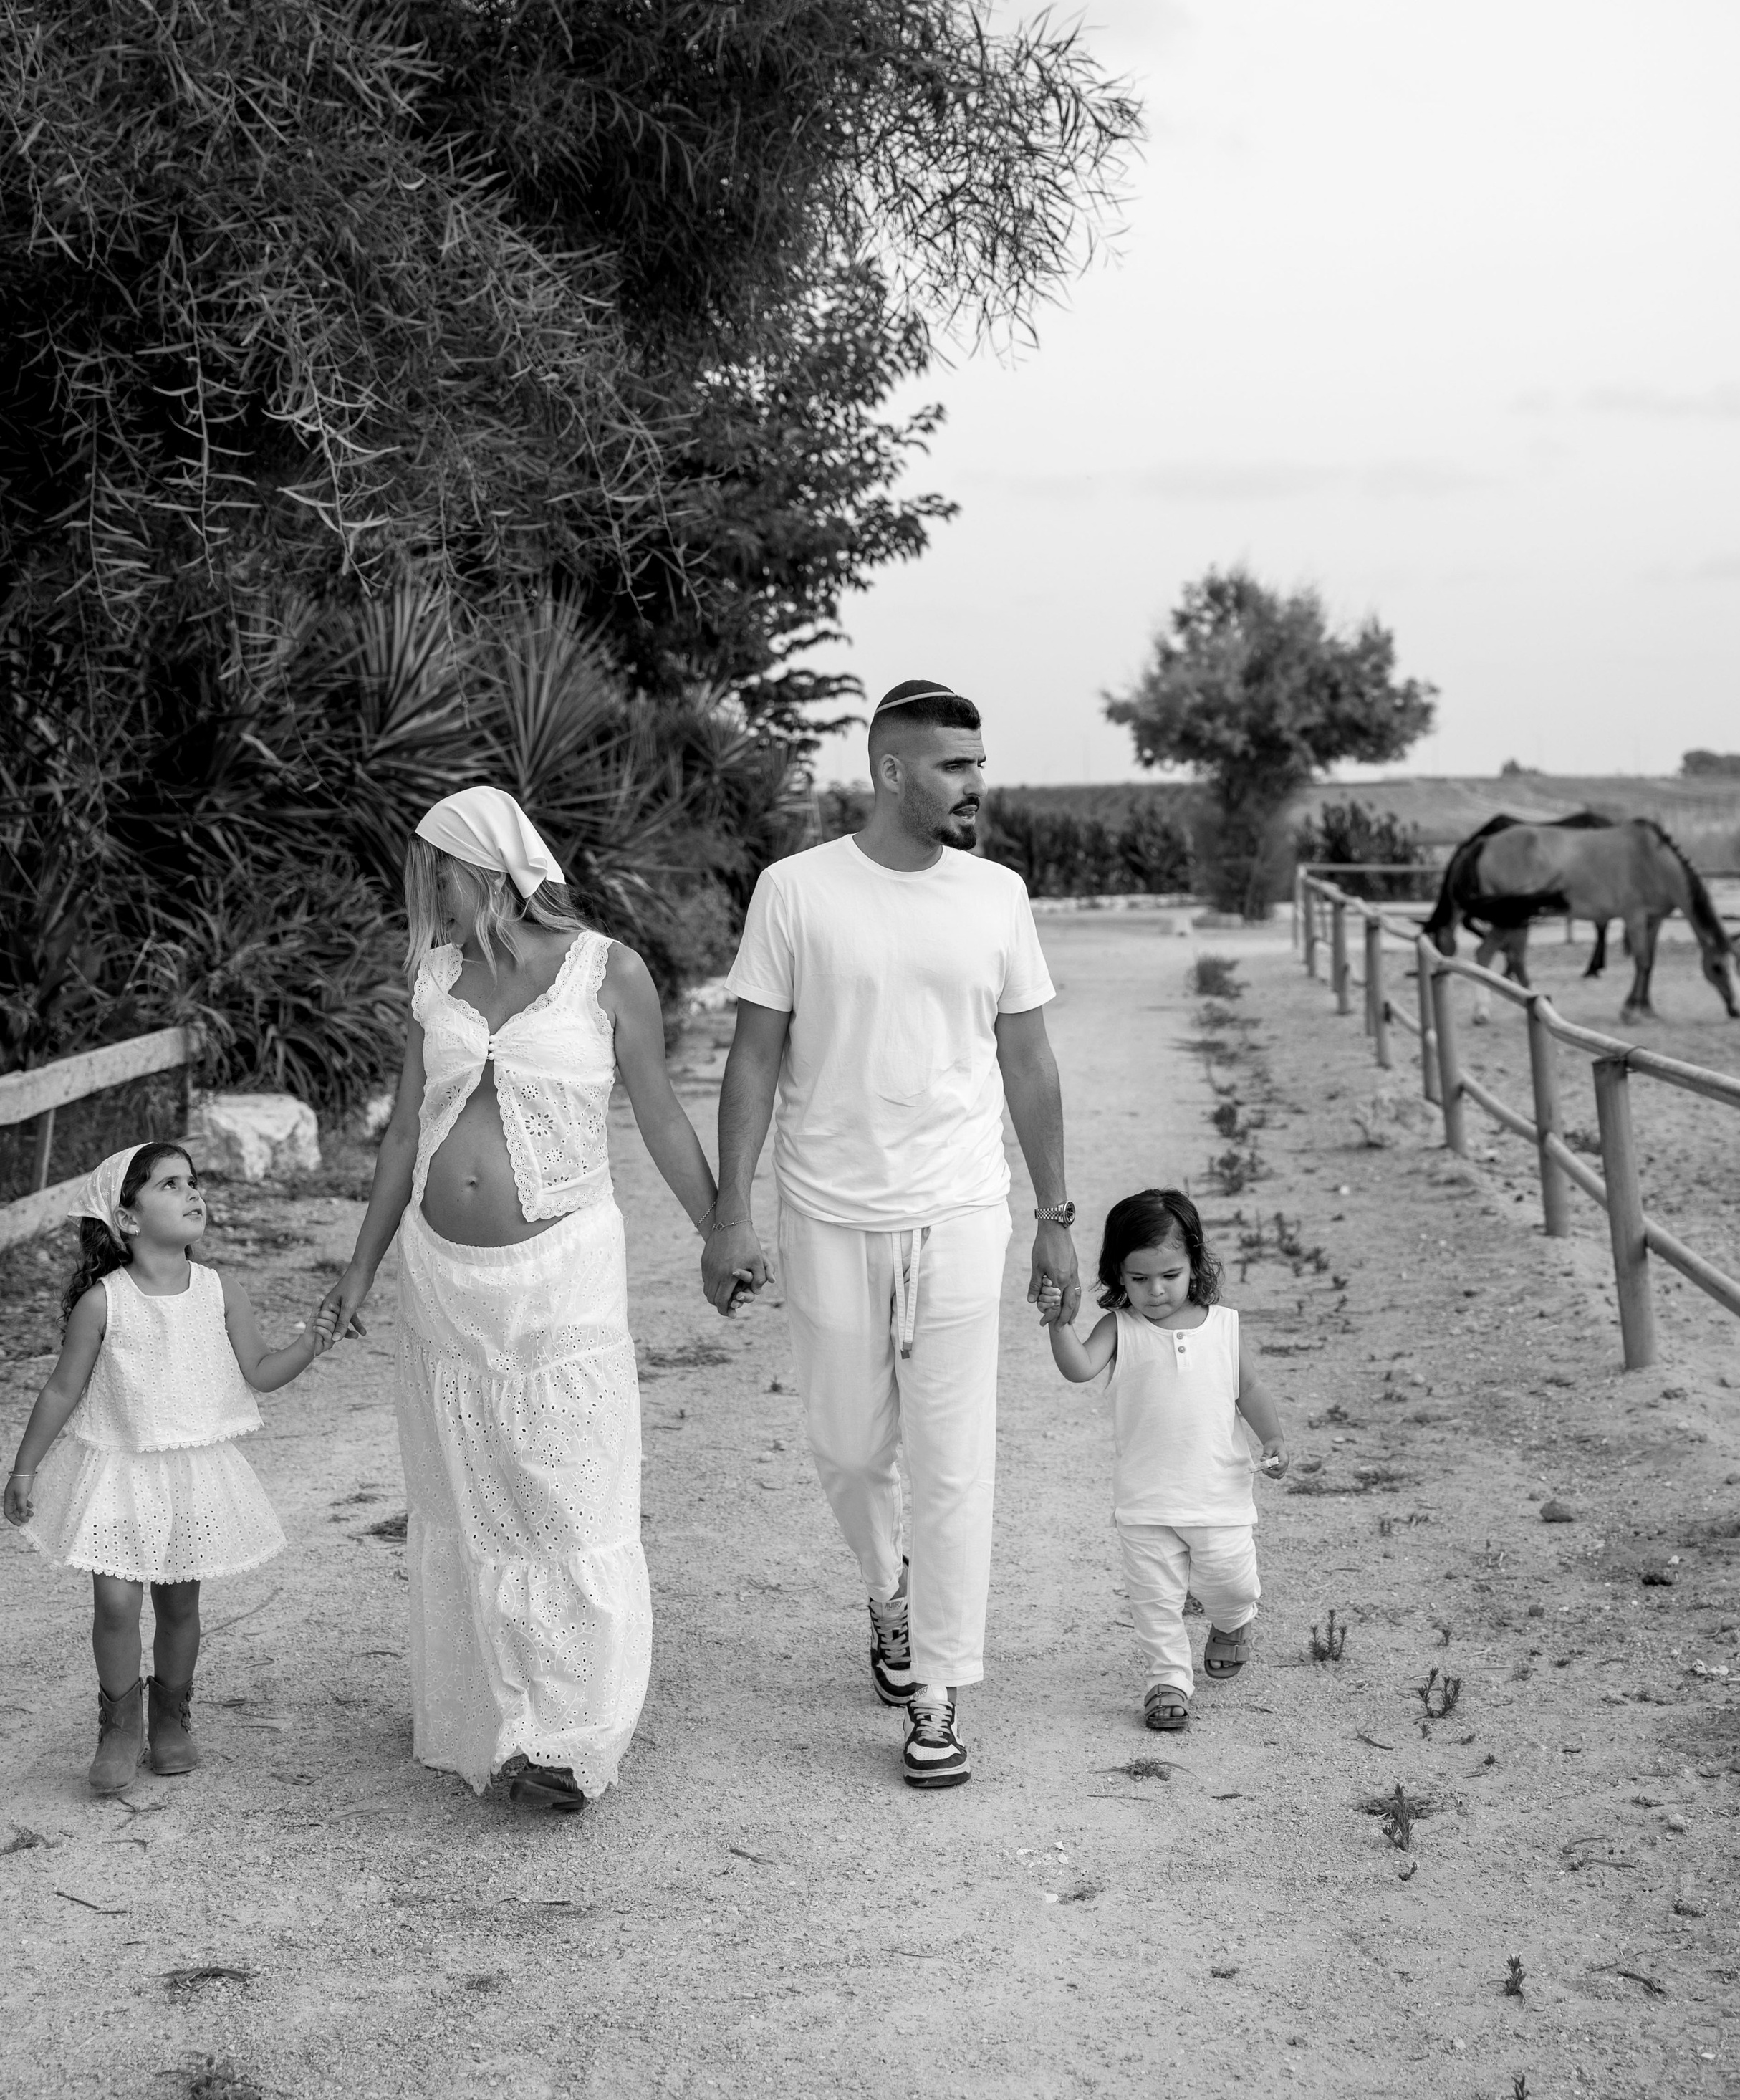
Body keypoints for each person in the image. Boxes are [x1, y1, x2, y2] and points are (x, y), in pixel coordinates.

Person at [702, 681, 1078, 1791]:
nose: (975, 783)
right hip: (828, 1209)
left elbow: (1030, 1062)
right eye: (955, 765)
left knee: (956, 1459)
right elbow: (755, 1059)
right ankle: (888, 1588)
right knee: (852, 1448)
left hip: (962, 1208)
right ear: (893, 772)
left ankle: (939, 1692)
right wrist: (730, 1212)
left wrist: (1056, 1222)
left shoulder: (999, 895)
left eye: (979, 761)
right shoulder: (797, 890)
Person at [319, 787, 718, 1813]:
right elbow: (406, 1135)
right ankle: (505, 1722)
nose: (432, 901)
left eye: (439, 879)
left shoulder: (606, 972)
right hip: (443, 1281)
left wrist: (726, 1226)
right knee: (469, 1499)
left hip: (564, 1273)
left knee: (567, 1495)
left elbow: (664, 1120)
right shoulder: (437, 979)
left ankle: (574, 1734)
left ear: (487, 867)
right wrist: (358, 1270)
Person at [4, 1142, 328, 1792]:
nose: (192, 1193)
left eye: (193, 1182)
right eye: (170, 1184)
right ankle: (118, 1724)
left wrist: (312, 1341)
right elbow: (63, 1391)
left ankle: (171, 1717)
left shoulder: (219, 1291)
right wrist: (25, 1469)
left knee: (180, 1602)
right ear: (127, 1219)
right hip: (119, 1472)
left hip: (191, 1473)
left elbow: (261, 1373)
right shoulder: (105, 1302)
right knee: (117, 1602)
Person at [1043, 1186, 1287, 1733]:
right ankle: (1168, 1680)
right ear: (1117, 1275)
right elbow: (1080, 1368)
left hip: (1218, 1495)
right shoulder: (1120, 1328)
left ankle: (1232, 1622)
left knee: (1232, 1583)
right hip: (1146, 1499)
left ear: (1194, 1262)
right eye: (1139, 1279)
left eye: (1170, 1276)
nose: (1155, 1291)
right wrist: (1060, 1323)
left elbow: (1248, 1387)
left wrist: (1271, 1438)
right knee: (1154, 1603)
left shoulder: (1224, 1326)